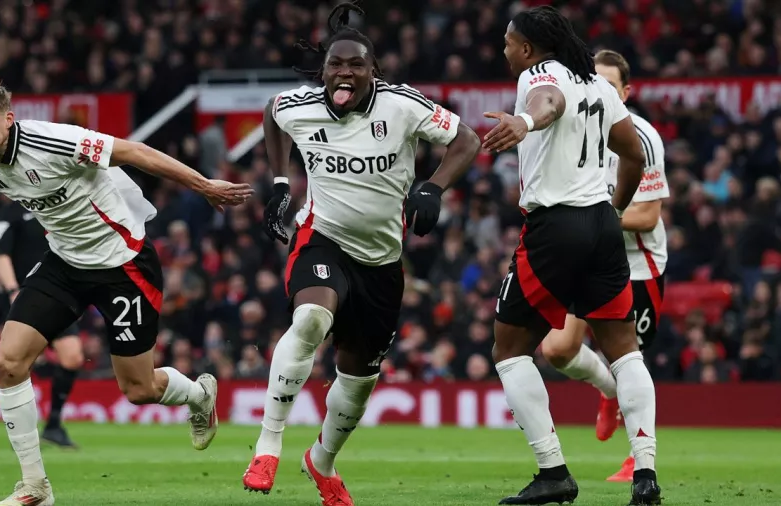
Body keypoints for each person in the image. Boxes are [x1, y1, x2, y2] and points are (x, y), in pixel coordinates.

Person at [0, 80, 253, 506]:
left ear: (7, 118)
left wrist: (203, 185)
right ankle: (35, 488)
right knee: (7, 362)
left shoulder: (52, 139)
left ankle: (199, 395)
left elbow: (136, 152)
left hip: (123, 264)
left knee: (139, 389)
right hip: (64, 265)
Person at [241, 2, 481, 505]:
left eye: (355, 65)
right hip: (322, 236)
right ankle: (268, 445)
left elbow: (466, 139)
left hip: (382, 261)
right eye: (335, 64)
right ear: (323, 69)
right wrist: (282, 182)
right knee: (310, 318)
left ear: (374, 71)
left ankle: (322, 462)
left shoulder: (403, 106)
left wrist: (433, 188)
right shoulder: (299, 106)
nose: (344, 73)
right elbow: (271, 114)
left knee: (357, 379)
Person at [481, 7, 660, 506]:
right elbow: (633, 153)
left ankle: (552, 471)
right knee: (625, 351)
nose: (504, 50)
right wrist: (614, 208)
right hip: (603, 225)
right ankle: (645, 473)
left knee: (509, 350)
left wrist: (523, 119)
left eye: (508, 42)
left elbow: (549, 101)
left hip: (555, 227)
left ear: (528, 49)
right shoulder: (599, 87)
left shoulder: (539, 75)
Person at [540, 49, 669, 484]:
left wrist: (598, 215)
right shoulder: (579, 130)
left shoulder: (643, 138)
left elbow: (648, 216)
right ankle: (609, 392)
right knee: (557, 350)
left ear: (627, 92)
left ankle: (640, 458)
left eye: (612, 85)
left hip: (638, 266)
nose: (602, 90)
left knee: (630, 359)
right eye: (595, 82)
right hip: (593, 258)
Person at [0, 202, 84, 448]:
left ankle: (53, 425)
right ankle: (20, 429)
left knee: (73, 357)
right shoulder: (11, 211)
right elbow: (2, 254)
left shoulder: (54, 204)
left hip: (58, 295)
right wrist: (13, 290)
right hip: (27, 298)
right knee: (20, 364)